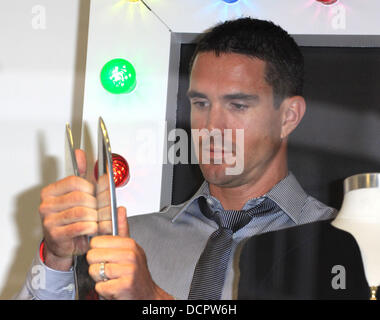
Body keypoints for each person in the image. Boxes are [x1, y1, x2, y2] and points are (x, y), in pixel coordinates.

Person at [15, 17, 336, 300]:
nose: (211, 127)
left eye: (238, 106)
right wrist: (56, 259)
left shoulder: (346, 247)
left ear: (289, 116)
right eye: (201, 103)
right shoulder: (129, 243)